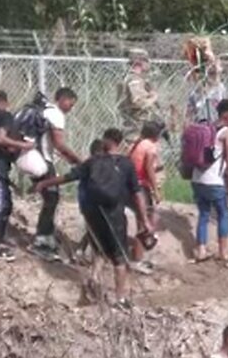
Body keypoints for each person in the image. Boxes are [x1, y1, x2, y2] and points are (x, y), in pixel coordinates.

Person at [34, 128, 151, 309]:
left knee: (98, 250)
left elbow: (68, 177)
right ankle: (120, 299)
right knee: (120, 258)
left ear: (106, 140)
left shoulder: (92, 162)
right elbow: (137, 193)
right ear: (118, 143)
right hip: (114, 214)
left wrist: (43, 183)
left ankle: (93, 284)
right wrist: (145, 220)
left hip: (93, 214)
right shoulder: (125, 164)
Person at [30, 87, 82, 262]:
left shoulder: (45, 111)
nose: (70, 108)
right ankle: (41, 241)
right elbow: (59, 144)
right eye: (70, 103)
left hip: (36, 157)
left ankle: (47, 236)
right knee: (51, 197)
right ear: (61, 99)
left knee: (51, 197)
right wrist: (79, 160)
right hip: (43, 160)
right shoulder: (56, 114)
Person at [0, 90, 32, 261]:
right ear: (5, 102)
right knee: (1, 205)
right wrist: (22, 145)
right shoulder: (5, 117)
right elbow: (0, 139)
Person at [194, 99, 228, 265]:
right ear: (227, 114)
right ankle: (223, 252)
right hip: (214, 180)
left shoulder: (206, 127)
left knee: (204, 214)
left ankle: (201, 250)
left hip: (197, 178)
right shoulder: (227, 132)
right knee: (223, 214)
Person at [127, 121, 164, 274]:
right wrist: (156, 190)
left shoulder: (136, 144)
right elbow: (148, 168)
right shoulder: (150, 147)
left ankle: (139, 255)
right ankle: (137, 259)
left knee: (142, 220)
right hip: (141, 187)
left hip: (130, 184)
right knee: (143, 223)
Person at [118, 48, 163, 143]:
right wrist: (153, 98)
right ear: (139, 62)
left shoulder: (127, 78)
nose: (148, 64)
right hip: (136, 129)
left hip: (132, 126)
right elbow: (138, 103)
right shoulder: (135, 80)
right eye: (146, 61)